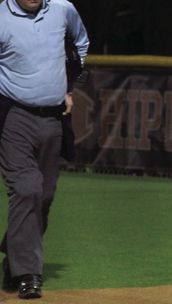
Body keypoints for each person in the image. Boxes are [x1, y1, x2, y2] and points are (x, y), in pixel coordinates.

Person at [0, 0, 89, 299]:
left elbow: (81, 43)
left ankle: (14, 255)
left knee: (44, 196)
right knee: (27, 188)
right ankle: (28, 274)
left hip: (53, 117)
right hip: (13, 115)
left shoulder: (63, 9)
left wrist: (70, 87)